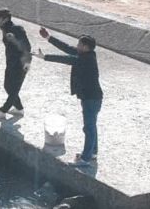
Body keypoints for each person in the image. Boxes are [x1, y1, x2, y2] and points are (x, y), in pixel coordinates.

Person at [33, 28, 103, 167]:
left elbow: (67, 59)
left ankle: (85, 159)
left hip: (91, 99)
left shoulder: (85, 59)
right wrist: (49, 38)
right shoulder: (87, 54)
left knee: (88, 128)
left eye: (79, 44)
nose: (76, 46)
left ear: (85, 47)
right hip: (91, 98)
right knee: (91, 126)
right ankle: (92, 153)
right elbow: (67, 48)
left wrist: (45, 57)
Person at [0, 9, 32, 119]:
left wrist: (14, 40)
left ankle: (2, 111)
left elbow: (27, 47)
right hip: (11, 62)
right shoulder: (5, 28)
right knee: (7, 86)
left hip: (22, 62)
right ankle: (19, 108)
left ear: (6, 19)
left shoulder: (17, 29)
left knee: (14, 89)